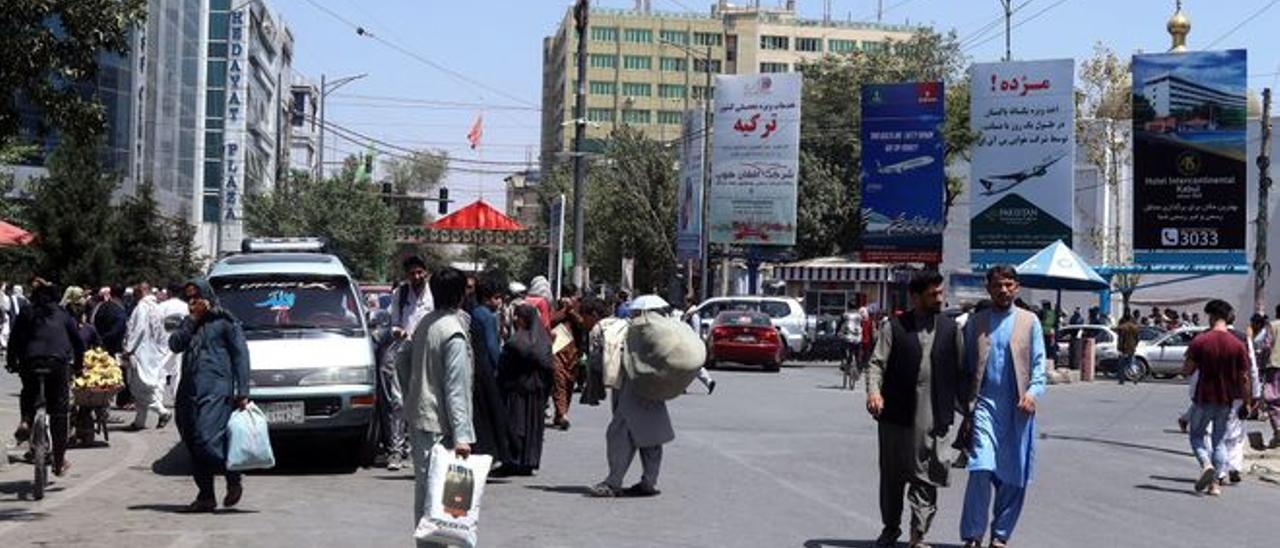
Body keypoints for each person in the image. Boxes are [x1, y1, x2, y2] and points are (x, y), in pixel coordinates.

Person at [865, 272, 964, 548]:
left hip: (935, 415)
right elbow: (876, 364)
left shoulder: (950, 329)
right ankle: (890, 528)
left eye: (941, 293)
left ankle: (918, 534)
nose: (940, 299)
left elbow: (961, 372)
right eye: (933, 295)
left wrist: (968, 412)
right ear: (915, 296)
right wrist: (874, 392)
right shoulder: (894, 327)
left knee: (927, 474)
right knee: (893, 475)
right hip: (896, 414)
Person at [958, 266, 1046, 548]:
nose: (1003, 290)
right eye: (998, 285)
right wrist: (963, 404)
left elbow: (1039, 366)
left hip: (1018, 412)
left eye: (1009, 284)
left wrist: (1032, 393)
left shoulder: (1029, 321)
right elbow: (967, 367)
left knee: (1013, 476)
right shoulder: (977, 322)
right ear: (988, 288)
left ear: (1017, 287)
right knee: (980, 467)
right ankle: (973, 534)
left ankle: (1001, 535)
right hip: (984, 407)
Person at [395, 267, 474, 526]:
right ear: (461, 295)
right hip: (443, 428)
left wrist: (413, 394)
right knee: (446, 499)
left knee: (427, 492)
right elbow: (456, 389)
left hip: (422, 419)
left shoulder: (425, 323)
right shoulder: (453, 332)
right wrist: (462, 436)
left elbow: (401, 358)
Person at [168, 279, 251, 512]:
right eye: (189, 298)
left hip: (216, 389)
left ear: (208, 296)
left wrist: (243, 391)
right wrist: (193, 320)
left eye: (197, 297)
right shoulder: (189, 323)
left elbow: (240, 355)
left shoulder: (224, 321)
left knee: (207, 439)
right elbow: (175, 344)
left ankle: (232, 475)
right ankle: (206, 495)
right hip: (189, 391)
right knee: (193, 442)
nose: (193, 302)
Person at [590, 297, 678, 499]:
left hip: (632, 393)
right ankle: (649, 481)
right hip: (654, 393)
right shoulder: (666, 335)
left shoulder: (638, 334)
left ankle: (613, 482)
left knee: (619, 435)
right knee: (651, 439)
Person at [6, 279, 85, 477]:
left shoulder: (27, 313)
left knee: (28, 392)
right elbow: (79, 344)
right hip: (58, 363)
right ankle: (58, 463)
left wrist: (11, 362)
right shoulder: (63, 314)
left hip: (30, 362)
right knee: (59, 413)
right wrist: (78, 367)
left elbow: (14, 340)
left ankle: (26, 420)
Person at [1182, 299, 1252, 497]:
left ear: (1211, 316)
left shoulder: (1201, 341)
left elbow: (1187, 369)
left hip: (1203, 398)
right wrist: (1247, 402)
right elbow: (1245, 377)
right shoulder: (1238, 345)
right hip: (1226, 401)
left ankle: (1206, 464)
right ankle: (1215, 486)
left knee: (1196, 436)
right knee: (1220, 441)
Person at [381, 255, 434, 470]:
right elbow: (393, 323)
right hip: (403, 351)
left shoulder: (434, 294)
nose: (417, 276)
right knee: (398, 402)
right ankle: (396, 451)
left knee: (423, 402)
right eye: (412, 273)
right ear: (407, 275)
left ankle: (416, 449)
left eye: (420, 272)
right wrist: (398, 332)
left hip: (427, 354)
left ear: (426, 272)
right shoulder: (400, 294)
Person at [497, 304, 554, 476]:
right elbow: (548, 366)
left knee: (516, 425)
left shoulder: (516, 341)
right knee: (530, 426)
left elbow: (506, 363)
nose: (515, 320)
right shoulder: (543, 340)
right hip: (535, 390)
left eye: (519, 316)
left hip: (517, 390)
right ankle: (527, 461)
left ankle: (513, 461)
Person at [468, 276, 511, 466]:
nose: (500, 302)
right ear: (487, 298)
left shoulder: (473, 312)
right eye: (497, 297)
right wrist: (500, 367)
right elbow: (492, 347)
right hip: (486, 371)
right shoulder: (486, 316)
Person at [123, 283, 171, 430]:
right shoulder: (157, 307)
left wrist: (128, 349)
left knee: (138, 387)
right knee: (147, 388)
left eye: (137, 291)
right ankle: (139, 421)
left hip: (141, 353)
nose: (135, 295)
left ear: (142, 292)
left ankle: (162, 411)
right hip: (153, 353)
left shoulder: (142, 308)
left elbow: (138, 330)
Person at [91, 287, 129, 407]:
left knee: (101, 374)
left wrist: (99, 339)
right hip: (116, 346)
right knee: (120, 373)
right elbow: (119, 328)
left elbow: (94, 322)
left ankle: (101, 402)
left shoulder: (101, 307)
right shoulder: (120, 310)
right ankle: (122, 400)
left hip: (101, 346)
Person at [156, 284, 190, 407]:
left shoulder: (161, 307)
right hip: (181, 341)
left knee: (161, 371)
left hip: (164, 342)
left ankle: (158, 399)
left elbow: (157, 324)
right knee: (178, 371)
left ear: (169, 292)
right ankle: (177, 398)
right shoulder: (186, 307)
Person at [1116, 314, 1141, 385]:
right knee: (1132, 363)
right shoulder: (1135, 328)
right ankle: (1135, 376)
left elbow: (1120, 339)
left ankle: (1121, 379)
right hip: (1132, 348)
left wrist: (1119, 347)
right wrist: (1135, 345)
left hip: (1124, 348)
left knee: (1122, 364)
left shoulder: (1122, 328)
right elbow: (1137, 339)